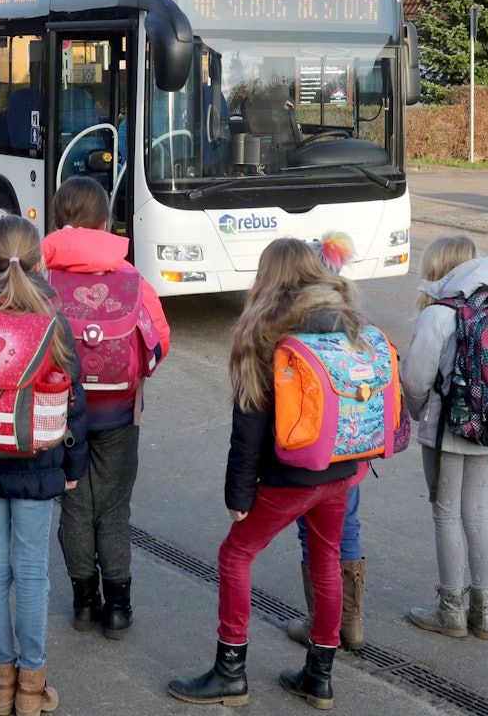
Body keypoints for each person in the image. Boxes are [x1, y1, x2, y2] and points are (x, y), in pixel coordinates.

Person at [168, 237, 365, 711]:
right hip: (341, 465)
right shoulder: (345, 316)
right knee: (326, 557)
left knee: (235, 555)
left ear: (268, 274)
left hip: (290, 473)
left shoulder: (264, 329)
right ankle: (319, 677)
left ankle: (230, 672)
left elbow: (249, 422)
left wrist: (238, 493)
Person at [0, 214, 89, 716]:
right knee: (31, 571)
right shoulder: (52, 318)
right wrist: (74, 464)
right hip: (37, 458)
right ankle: (32, 688)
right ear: (39, 262)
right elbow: (74, 401)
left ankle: (1, 681)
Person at [41, 177, 170, 638]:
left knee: (74, 504)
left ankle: (83, 602)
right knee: (113, 506)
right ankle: (118, 607)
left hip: (60, 413)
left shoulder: (43, 281)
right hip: (118, 413)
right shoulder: (130, 278)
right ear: (104, 221)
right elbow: (158, 343)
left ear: (59, 219)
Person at [401, 236, 488, 640]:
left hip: (448, 428)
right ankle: (482, 614)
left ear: (439, 268)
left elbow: (415, 381)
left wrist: (417, 416)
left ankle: (451, 610)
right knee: (478, 511)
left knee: (446, 513)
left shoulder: (440, 314)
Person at [286, 232, 369, 651]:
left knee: (313, 535)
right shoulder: (358, 322)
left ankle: (321, 622)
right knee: (348, 528)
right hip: (356, 452)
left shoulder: (299, 326)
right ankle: (351, 625)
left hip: (313, 455)